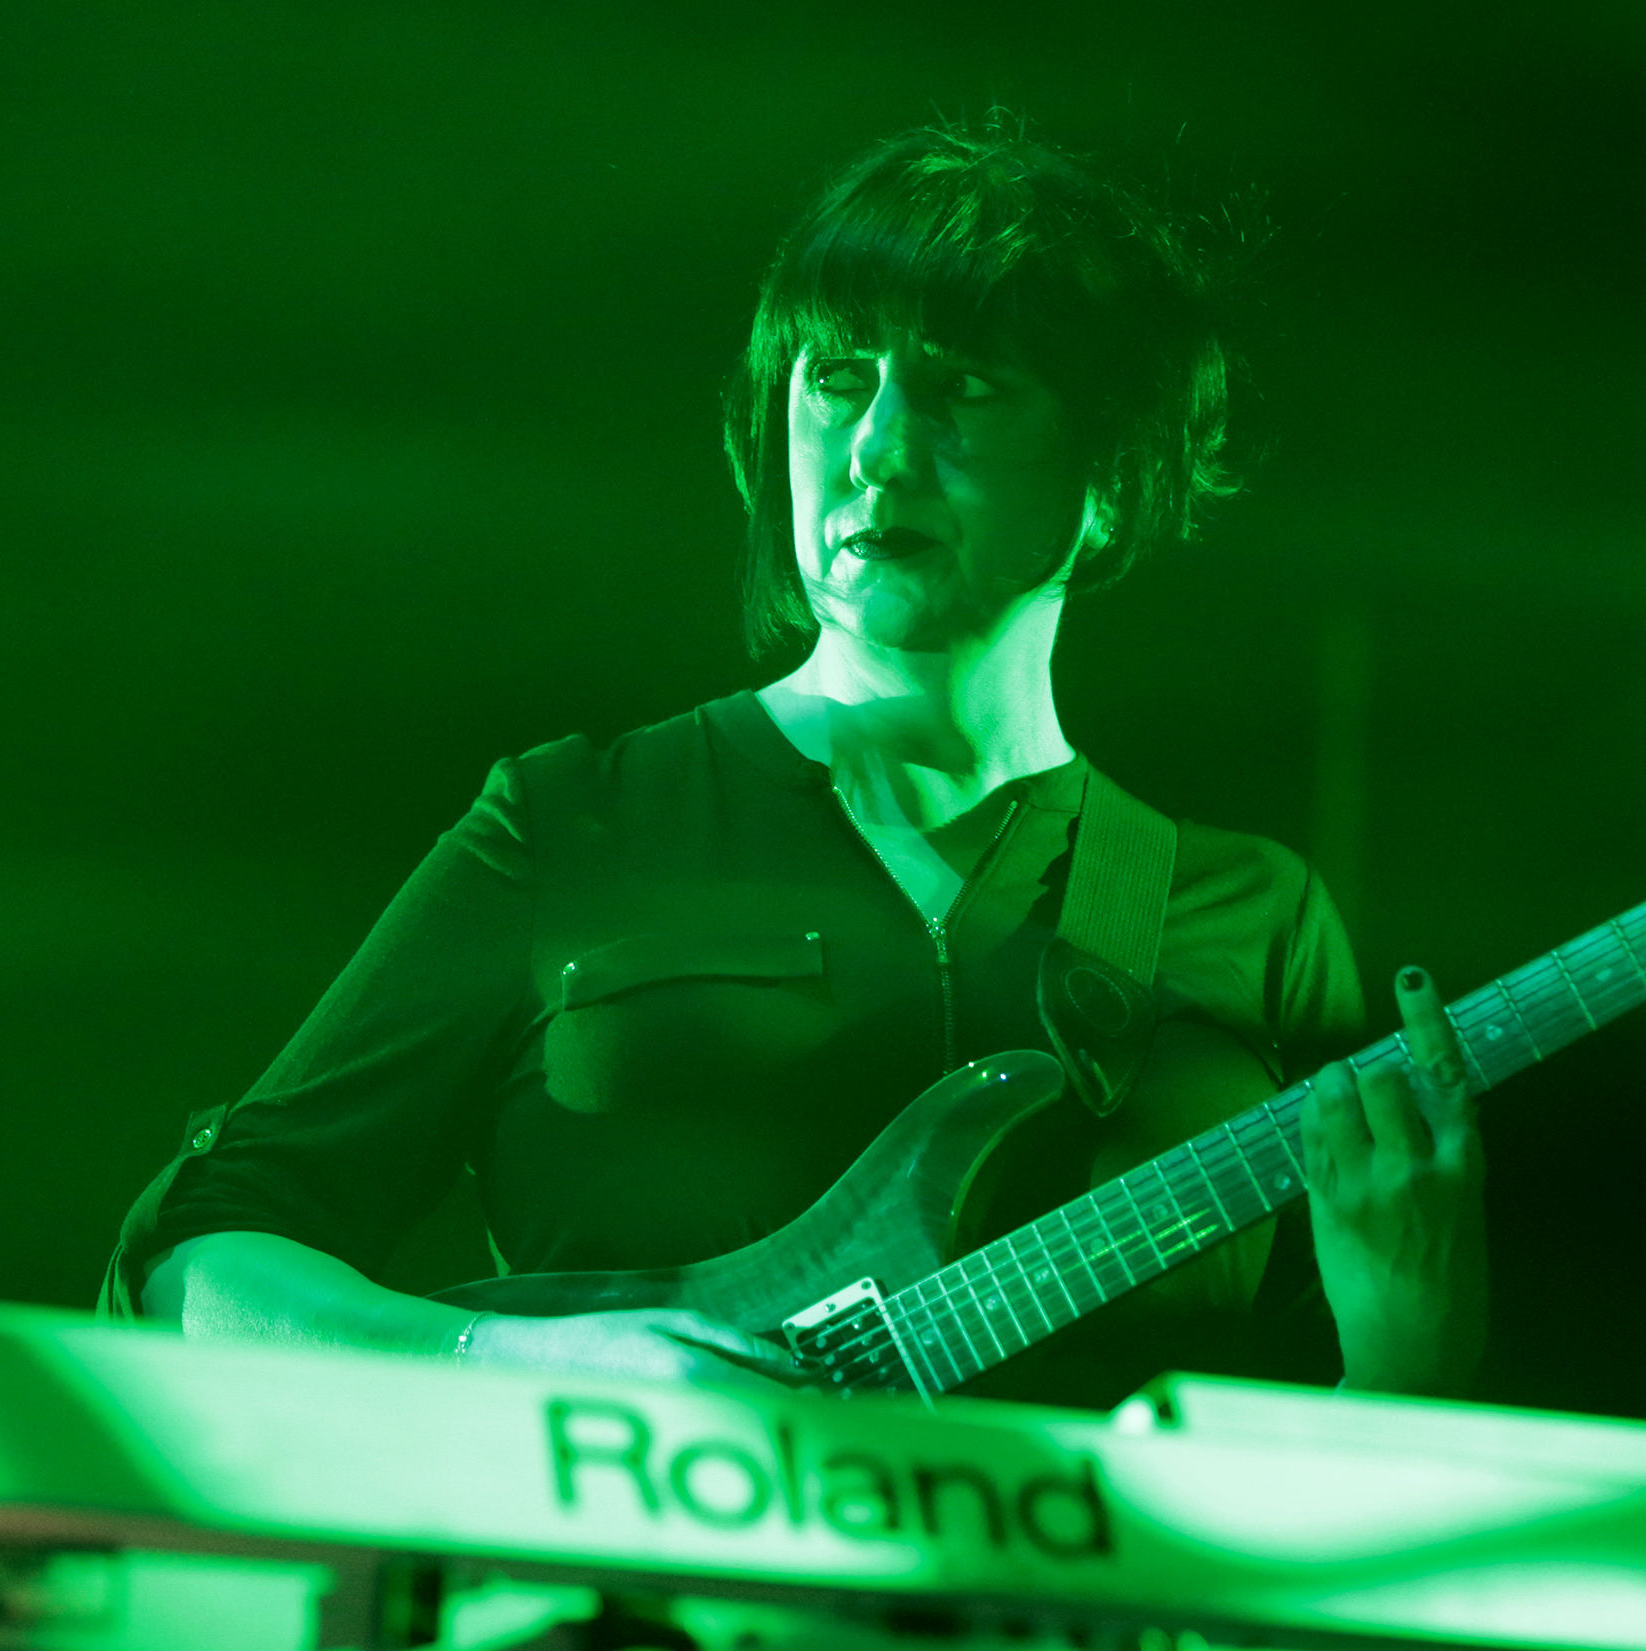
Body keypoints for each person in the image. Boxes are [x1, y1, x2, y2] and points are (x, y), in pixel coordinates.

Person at [104, 118, 1489, 1404]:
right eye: (836, 380)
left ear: (1113, 470)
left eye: (962, 387)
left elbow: (1343, 1474)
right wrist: (518, 1359)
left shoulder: (1252, 917)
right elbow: (193, 1264)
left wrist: (1414, 1339)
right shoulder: (575, 821)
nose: (877, 449)